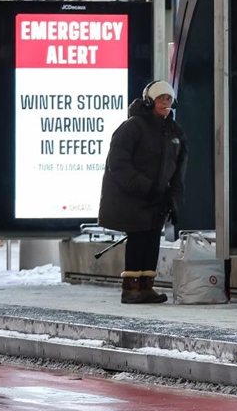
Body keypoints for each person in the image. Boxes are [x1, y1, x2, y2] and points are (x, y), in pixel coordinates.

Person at [98, 80, 188, 304]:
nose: (165, 103)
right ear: (149, 101)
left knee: (151, 241)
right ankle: (131, 289)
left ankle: (147, 287)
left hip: (157, 198)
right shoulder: (133, 127)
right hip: (132, 198)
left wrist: (173, 198)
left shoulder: (174, 131)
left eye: (168, 99)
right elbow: (118, 164)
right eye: (160, 99)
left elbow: (180, 168)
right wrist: (146, 187)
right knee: (138, 239)